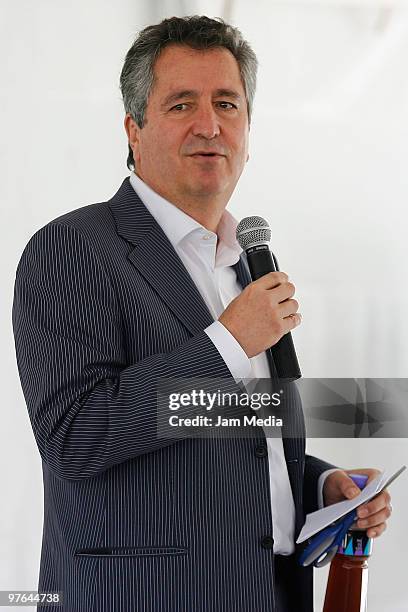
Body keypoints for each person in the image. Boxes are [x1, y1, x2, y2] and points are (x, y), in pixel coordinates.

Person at [12, 15, 392, 612]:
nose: (210, 125)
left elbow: (236, 440)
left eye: (227, 104)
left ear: (249, 129)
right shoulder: (73, 248)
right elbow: (74, 437)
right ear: (133, 129)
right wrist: (227, 343)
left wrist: (319, 485)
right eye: (181, 104)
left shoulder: (246, 262)